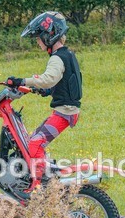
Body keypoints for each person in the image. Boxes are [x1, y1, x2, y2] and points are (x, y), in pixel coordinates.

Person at [7, 11, 82, 192]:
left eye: (38, 38)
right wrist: (47, 90)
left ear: (49, 35)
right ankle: (45, 174)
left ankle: (39, 188)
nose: (37, 42)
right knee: (34, 140)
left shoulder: (57, 58)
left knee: (34, 144)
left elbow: (49, 78)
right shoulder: (67, 54)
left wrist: (22, 81)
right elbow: (64, 80)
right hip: (66, 110)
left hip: (65, 113)